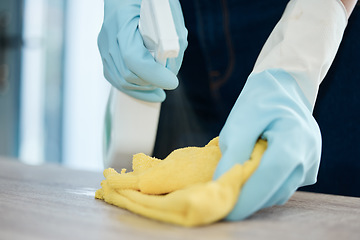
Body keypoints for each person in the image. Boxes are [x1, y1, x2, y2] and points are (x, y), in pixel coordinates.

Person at [98, 0, 359, 220]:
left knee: (318, 212)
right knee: (162, 209)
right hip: (184, 31)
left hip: (308, 18)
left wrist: (300, 56)